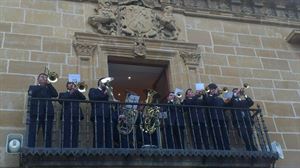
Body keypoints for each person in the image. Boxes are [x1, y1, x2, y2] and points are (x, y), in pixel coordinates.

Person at [27, 73, 58, 147]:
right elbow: (31, 93)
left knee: (48, 133)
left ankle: (48, 150)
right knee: (33, 132)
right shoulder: (33, 87)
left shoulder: (49, 88)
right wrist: (41, 85)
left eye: (45, 77)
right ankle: (31, 148)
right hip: (35, 113)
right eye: (42, 77)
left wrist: (49, 84)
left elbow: (55, 94)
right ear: (38, 79)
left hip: (48, 113)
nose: (44, 78)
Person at [88, 78, 116, 148]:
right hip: (98, 114)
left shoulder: (108, 92)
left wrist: (112, 97)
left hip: (109, 115)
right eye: (105, 82)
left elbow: (113, 103)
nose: (107, 84)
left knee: (109, 134)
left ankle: (109, 150)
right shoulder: (93, 90)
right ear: (100, 83)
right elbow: (93, 98)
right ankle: (97, 151)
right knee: (98, 134)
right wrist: (105, 94)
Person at [58, 82, 86, 148]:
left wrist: (77, 91)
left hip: (76, 114)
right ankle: (65, 148)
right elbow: (61, 101)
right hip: (66, 115)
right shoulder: (62, 94)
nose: (72, 85)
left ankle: (74, 149)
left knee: (75, 132)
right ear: (67, 86)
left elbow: (83, 98)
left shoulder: (77, 93)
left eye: (73, 84)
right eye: (70, 84)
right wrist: (71, 92)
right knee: (66, 131)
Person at [206, 83, 230, 150]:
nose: (217, 90)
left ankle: (227, 148)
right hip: (214, 119)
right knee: (217, 135)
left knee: (225, 135)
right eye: (215, 89)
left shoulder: (220, 99)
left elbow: (225, 107)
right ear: (211, 90)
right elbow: (209, 102)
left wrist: (229, 100)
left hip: (223, 118)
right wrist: (213, 94)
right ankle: (219, 149)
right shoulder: (208, 97)